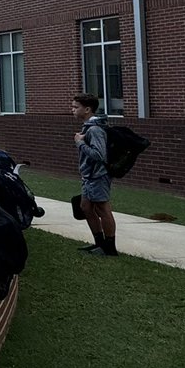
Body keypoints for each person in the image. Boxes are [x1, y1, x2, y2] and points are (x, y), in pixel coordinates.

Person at [72, 93, 117, 256]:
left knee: (102, 208)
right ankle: (99, 243)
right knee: (85, 207)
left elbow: (99, 155)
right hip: (89, 176)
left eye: (76, 107)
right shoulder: (88, 127)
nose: (73, 110)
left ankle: (109, 247)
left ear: (87, 109)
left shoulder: (95, 129)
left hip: (98, 175)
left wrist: (80, 143)